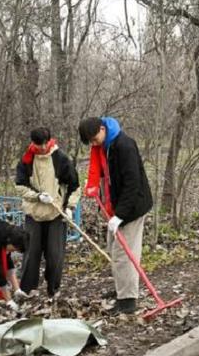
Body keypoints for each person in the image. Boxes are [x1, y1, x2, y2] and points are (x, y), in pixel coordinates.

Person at [78, 116, 153, 315]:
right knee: (114, 249)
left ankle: (127, 301)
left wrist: (120, 215)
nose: (94, 145)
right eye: (91, 142)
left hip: (132, 208)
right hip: (117, 207)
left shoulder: (124, 146)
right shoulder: (106, 146)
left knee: (123, 254)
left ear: (102, 129)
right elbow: (105, 176)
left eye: (95, 139)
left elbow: (132, 184)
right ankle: (123, 289)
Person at [15, 127, 80, 299]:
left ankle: (53, 289)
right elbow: (20, 186)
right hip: (33, 213)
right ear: (33, 143)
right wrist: (36, 196)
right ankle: (27, 289)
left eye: (45, 144)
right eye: (38, 144)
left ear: (50, 141)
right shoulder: (26, 160)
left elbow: (75, 186)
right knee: (31, 252)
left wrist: (70, 207)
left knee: (55, 254)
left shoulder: (61, 159)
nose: (42, 148)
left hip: (56, 214)